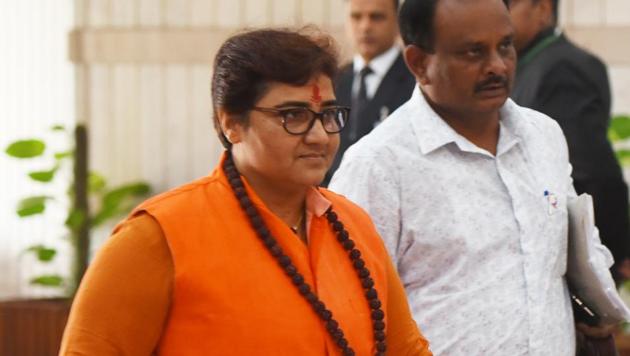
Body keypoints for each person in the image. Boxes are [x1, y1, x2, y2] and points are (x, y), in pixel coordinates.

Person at [59, 28, 432, 356]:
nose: (319, 136)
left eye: (328, 115)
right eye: (293, 115)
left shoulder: (353, 226)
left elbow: (406, 351)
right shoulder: (157, 237)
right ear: (231, 123)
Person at [330, 0, 616, 354]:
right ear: (419, 63)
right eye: (473, 52)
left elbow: (576, 249)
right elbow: (348, 309)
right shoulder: (379, 165)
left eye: (505, 46)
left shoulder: (543, 136)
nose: (497, 66)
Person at [509, 0, 630, 283]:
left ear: (543, 9)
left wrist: (605, 263)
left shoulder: (562, 68)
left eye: (509, 4)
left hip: (567, 264)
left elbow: (590, 175)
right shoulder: (529, 64)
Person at [324, 0, 415, 184]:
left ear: (398, 23)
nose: (365, 26)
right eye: (356, 17)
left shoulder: (416, 81)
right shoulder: (334, 81)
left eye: (377, 17)